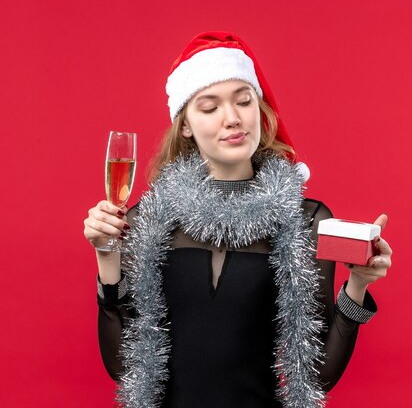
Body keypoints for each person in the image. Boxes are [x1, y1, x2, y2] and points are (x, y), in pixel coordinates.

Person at [83, 31, 393, 408]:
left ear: (258, 110)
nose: (232, 119)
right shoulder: (148, 222)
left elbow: (315, 376)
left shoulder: (305, 220)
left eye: (243, 101)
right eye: (210, 108)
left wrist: (357, 284)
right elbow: (123, 369)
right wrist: (106, 257)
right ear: (185, 126)